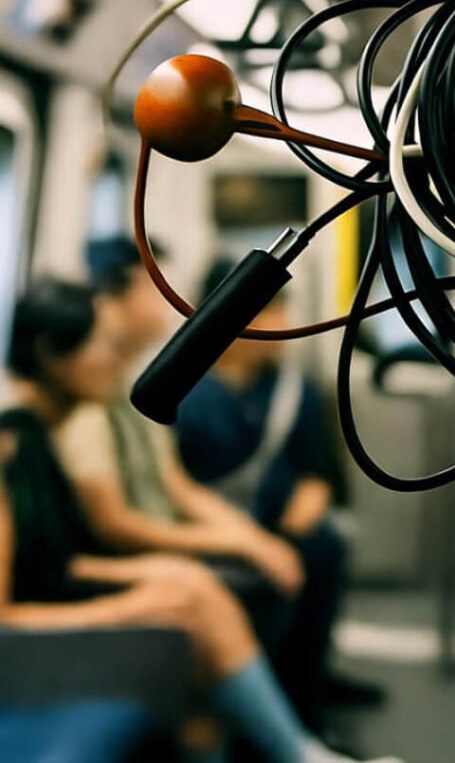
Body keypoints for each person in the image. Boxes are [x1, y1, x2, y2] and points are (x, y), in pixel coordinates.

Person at [0, 277, 399, 763]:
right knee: (188, 607)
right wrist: (139, 603)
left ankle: (291, 746)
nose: (113, 358)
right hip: (19, 641)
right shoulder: (9, 448)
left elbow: (53, 561)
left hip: (58, 588)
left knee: (193, 612)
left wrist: (170, 578)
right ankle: (298, 753)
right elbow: (7, 611)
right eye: (98, 345)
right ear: (49, 352)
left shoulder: (40, 433)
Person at [175, 257, 378, 730]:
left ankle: (309, 692)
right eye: (271, 310)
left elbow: (315, 474)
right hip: (213, 531)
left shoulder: (292, 391)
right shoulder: (186, 393)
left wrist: (293, 529)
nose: (284, 323)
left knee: (321, 548)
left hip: (282, 525)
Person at [55, 237, 304, 619]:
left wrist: (249, 538)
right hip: (135, 554)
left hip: (169, 533)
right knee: (257, 581)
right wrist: (235, 543)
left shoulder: (133, 385)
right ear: (113, 297)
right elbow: (114, 524)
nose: (168, 306)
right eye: (155, 291)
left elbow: (176, 486)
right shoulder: (88, 397)